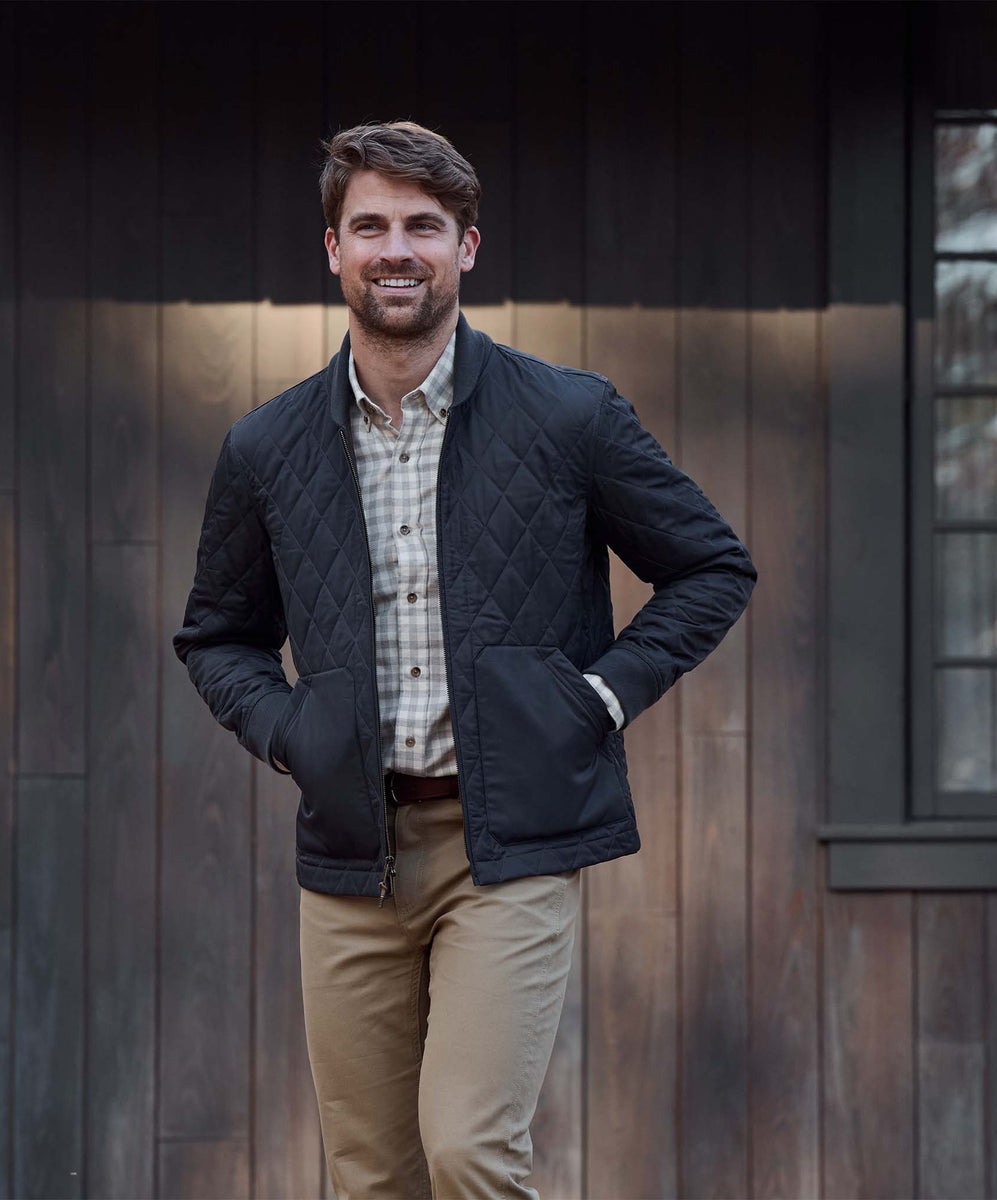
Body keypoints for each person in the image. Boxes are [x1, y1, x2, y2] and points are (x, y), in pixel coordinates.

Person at [173, 120, 756, 1200]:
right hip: (351, 854)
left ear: (467, 248)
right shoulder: (268, 447)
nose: (398, 248)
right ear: (334, 251)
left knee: (470, 1153)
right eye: (372, 226)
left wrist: (597, 700)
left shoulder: (570, 416)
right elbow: (218, 636)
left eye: (424, 227)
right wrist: (291, 731)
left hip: (514, 845)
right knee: (371, 1175)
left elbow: (711, 569)